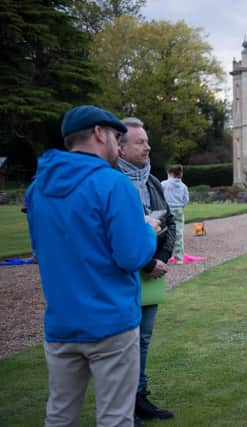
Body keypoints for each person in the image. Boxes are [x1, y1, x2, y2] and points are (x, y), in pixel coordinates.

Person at [25, 105, 159, 426]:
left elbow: (42, 251)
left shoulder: (37, 188)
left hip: (61, 324)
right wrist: (148, 229)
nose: (117, 144)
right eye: (115, 136)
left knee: (59, 415)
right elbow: (132, 256)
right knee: (114, 418)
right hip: (110, 322)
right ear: (100, 133)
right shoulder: (113, 183)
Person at [118, 117, 176, 422]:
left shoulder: (152, 181)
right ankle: (124, 407)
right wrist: (146, 262)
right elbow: (115, 234)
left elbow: (170, 223)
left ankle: (140, 399)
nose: (148, 146)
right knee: (122, 343)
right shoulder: (112, 180)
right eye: (140, 142)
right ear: (121, 147)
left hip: (152, 275)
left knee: (142, 340)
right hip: (125, 273)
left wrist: (162, 258)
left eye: (147, 140)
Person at [161, 165, 189, 264]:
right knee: (179, 233)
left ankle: (164, 256)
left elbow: (160, 196)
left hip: (167, 210)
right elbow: (186, 200)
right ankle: (179, 258)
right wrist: (181, 205)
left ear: (170, 173)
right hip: (179, 210)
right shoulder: (183, 186)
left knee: (164, 233)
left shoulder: (164, 184)